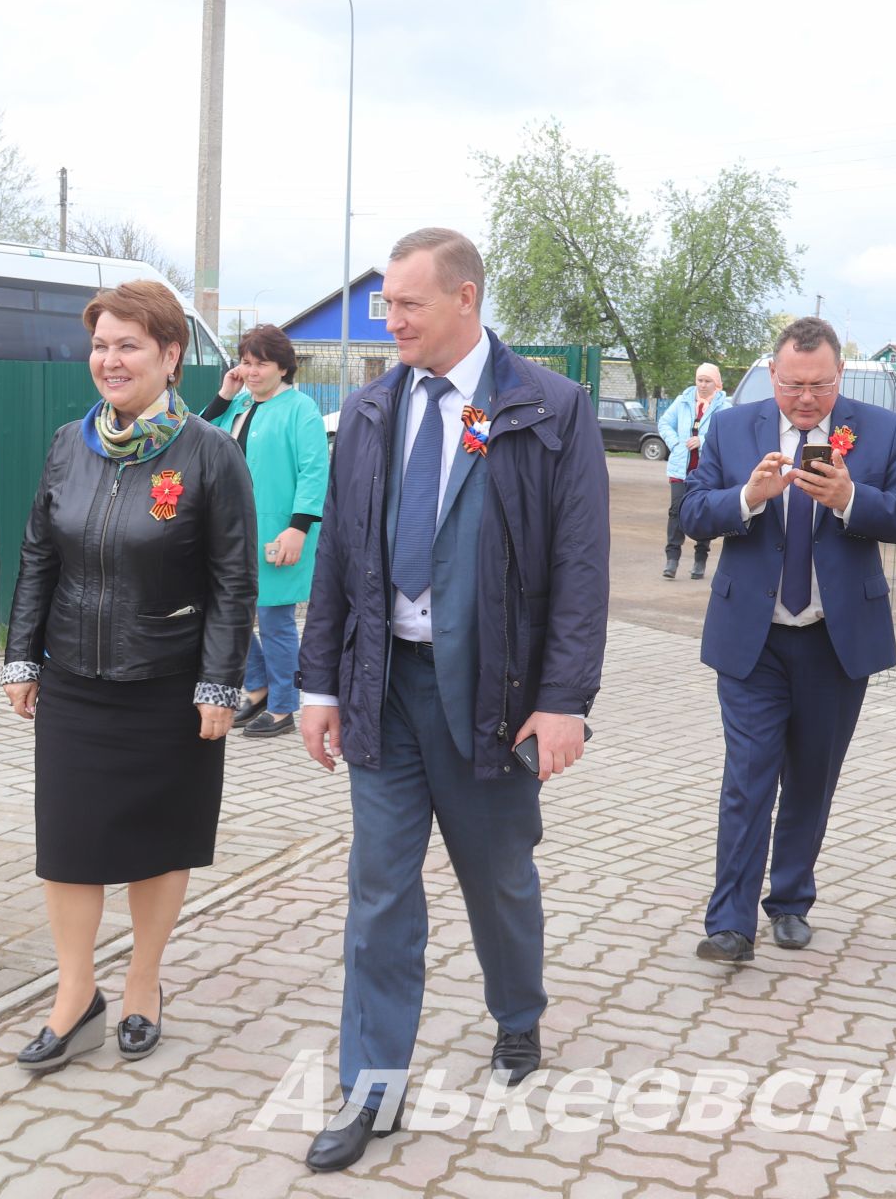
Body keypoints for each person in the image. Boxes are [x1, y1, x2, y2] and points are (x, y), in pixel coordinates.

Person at [294, 228, 609, 1172]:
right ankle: (372, 1090)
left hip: (495, 697)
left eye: (407, 305)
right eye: (387, 304)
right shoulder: (371, 410)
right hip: (384, 686)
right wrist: (318, 683)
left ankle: (518, 1015)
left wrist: (565, 699)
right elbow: (342, 558)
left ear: (466, 299)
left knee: (498, 877)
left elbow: (581, 569)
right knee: (380, 889)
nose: (389, 321)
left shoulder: (546, 408)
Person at [0, 280, 256, 1072]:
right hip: (74, 675)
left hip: (168, 682)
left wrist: (219, 682)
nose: (109, 361)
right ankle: (76, 994)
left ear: (171, 355)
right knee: (68, 843)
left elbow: (232, 580)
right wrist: (21, 653)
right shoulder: (67, 444)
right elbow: (40, 553)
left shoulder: (211, 453)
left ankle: (143, 982)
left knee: (157, 838)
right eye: (101, 346)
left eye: (128, 346)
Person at [679, 316, 896, 965]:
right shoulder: (735, 427)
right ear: (773, 374)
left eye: (819, 385)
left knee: (811, 778)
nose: (806, 399)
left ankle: (789, 899)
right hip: (752, 640)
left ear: (840, 376)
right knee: (749, 776)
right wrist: (747, 497)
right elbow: (693, 512)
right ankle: (730, 924)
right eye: (793, 385)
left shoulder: (881, 431)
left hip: (833, 640)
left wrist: (852, 498)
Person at [201, 324, 329, 739]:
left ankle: (283, 707)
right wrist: (224, 392)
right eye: (246, 362)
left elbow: (314, 471)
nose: (251, 371)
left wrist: (299, 529)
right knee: (227, 613)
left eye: (261, 364)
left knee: (274, 620)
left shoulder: (300, 409)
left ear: (284, 367)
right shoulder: (237, 403)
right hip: (230, 528)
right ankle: (256, 688)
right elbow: (199, 434)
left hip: (278, 530)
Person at [658, 363, 730, 579]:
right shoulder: (683, 401)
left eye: (708, 381)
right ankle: (672, 559)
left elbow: (727, 434)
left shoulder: (724, 407)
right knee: (676, 511)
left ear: (716, 383)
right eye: (700, 380)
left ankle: (700, 560)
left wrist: (703, 440)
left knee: (703, 512)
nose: (703, 384)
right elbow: (664, 423)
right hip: (681, 468)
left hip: (706, 470)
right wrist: (677, 444)